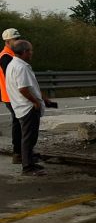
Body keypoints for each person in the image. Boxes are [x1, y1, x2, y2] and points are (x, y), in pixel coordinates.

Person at [6, 40, 52, 176]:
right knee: (28, 138)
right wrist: (35, 102)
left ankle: (30, 162)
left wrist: (42, 98)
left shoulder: (13, 64)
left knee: (29, 137)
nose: (32, 53)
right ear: (25, 52)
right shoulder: (21, 67)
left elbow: (30, 87)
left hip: (21, 106)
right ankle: (27, 167)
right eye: (30, 50)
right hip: (27, 107)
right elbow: (23, 89)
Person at [1, 28, 22, 164]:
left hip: (11, 96)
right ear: (8, 41)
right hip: (11, 96)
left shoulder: (10, 55)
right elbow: (13, 78)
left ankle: (20, 152)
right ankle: (18, 153)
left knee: (19, 123)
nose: (18, 41)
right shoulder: (5, 57)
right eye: (15, 39)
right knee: (19, 123)